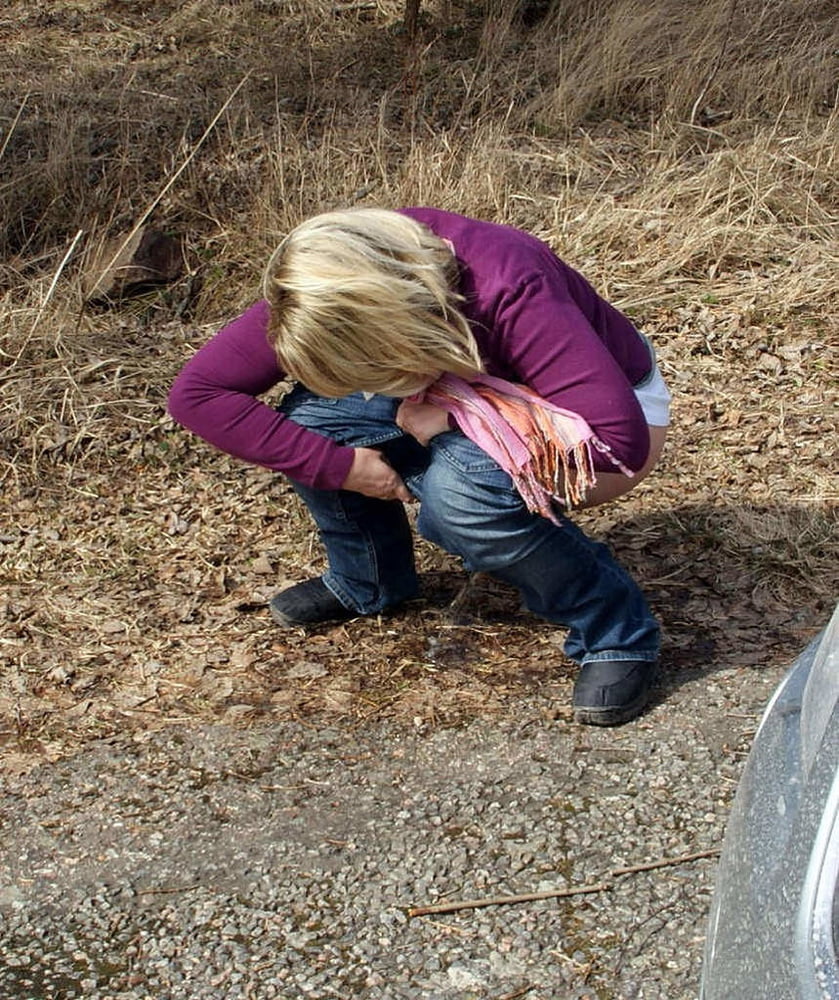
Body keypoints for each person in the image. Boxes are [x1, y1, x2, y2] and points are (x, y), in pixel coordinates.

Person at [168, 207, 671, 726]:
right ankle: (369, 581)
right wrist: (339, 466)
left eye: (373, 369)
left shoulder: (509, 283)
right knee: (313, 420)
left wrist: (453, 423)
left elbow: (618, 444)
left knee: (460, 501)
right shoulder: (330, 278)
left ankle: (615, 632)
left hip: (583, 419)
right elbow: (197, 394)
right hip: (450, 377)